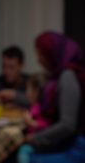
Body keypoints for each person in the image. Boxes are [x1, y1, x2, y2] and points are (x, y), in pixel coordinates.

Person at [18, 31, 85, 163]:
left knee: (25, 154)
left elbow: (67, 125)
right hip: (68, 143)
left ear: (51, 53)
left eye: (41, 54)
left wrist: (36, 137)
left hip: (77, 148)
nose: (38, 59)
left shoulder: (67, 77)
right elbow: (36, 101)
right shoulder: (59, 76)